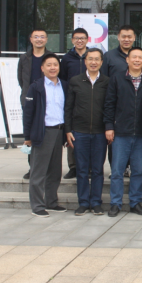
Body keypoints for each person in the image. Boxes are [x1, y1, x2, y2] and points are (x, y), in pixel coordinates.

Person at [103, 47, 142, 217]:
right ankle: (115, 203)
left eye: (140, 57)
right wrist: (109, 126)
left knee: (138, 171)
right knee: (117, 171)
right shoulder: (117, 78)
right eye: (134, 57)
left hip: (141, 133)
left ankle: (135, 202)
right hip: (121, 133)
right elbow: (109, 104)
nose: (137, 60)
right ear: (127, 60)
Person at [65, 48, 109, 216]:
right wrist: (68, 130)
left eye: (97, 59)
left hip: (100, 133)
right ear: (85, 61)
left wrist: (109, 128)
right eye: (90, 59)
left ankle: (96, 202)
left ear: (101, 62)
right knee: (82, 170)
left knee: (97, 170)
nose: (93, 62)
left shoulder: (107, 81)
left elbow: (110, 107)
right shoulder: (75, 81)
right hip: (79, 132)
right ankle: (83, 202)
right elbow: (68, 107)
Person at [22, 53, 68, 218]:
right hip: (43, 132)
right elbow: (28, 113)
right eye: (49, 65)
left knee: (55, 171)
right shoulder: (36, 87)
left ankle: (51, 202)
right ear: (42, 68)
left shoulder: (64, 85)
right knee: (39, 171)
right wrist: (27, 137)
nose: (52, 68)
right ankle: (37, 205)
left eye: (55, 64)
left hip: (59, 131)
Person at [102, 25, 142, 175]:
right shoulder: (109, 56)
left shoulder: (138, 56)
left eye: (129, 36)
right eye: (123, 36)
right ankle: (117, 168)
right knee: (115, 141)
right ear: (118, 37)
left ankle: (130, 167)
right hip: (115, 104)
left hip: (134, 105)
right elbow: (104, 80)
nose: (126, 39)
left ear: (134, 38)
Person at [18, 28, 53, 180]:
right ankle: (32, 167)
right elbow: (21, 79)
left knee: (46, 135)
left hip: (47, 100)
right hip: (29, 100)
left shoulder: (51, 57)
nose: (39, 39)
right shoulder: (24, 58)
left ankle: (46, 167)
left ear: (46, 39)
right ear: (31, 39)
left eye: (42, 36)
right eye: (36, 37)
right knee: (31, 134)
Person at [59, 27, 90, 180]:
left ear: (87, 40)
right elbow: (62, 79)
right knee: (72, 133)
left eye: (82, 38)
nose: (79, 40)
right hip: (71, 100)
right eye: (77, 38)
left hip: (90, 99)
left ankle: (88, 167)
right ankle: (73, 167)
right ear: (72, 40)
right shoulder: (66, 59)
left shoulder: (92, 56)